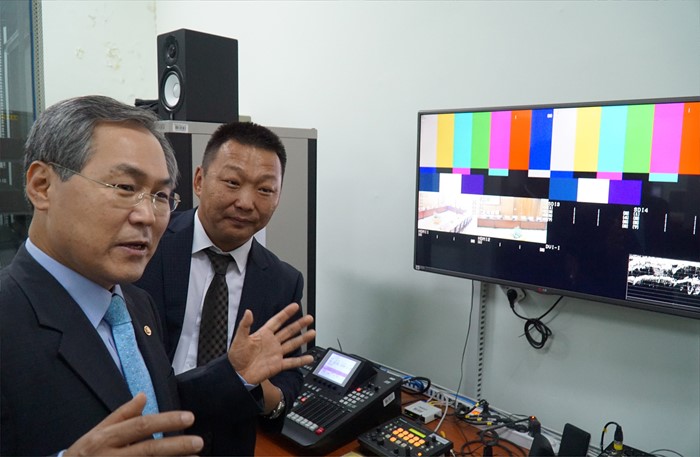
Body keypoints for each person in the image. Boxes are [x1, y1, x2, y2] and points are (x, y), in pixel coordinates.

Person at [0, 95, 315, 456]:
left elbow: (163, 407)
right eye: (125, 187)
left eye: (161, 195)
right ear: (42, 186)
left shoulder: (133, 304)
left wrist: (236, 375)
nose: (147, 216)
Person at [135, 121, 306, 455]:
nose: (246, 202)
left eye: (265, 190)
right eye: (232, 182)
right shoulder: (146, 246)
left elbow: (286, 383)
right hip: (144, 437)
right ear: (199, 180)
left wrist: (258, 387)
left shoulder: (282, 281)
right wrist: (232, 373)